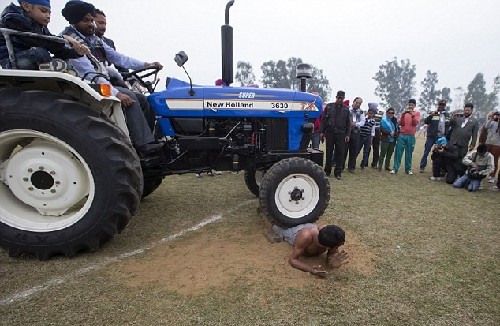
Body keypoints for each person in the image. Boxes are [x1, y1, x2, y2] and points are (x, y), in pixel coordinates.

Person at [60, 0, 162, 157]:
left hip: (101, 82)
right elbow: (90, 73)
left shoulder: (94, 39)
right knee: (130, 97)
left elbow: (118, 58)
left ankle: (148, 139)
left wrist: (145, 64)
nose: (91, 24)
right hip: (87, 85)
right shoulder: (71, 42)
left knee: (144, 99)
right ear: (74, 21)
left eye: (92, 20)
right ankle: (143, 145)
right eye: (86, 20)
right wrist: (116, 93)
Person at [0, 0, 88, 69]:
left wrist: (77, 52)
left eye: (49, 13)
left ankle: (53, 67)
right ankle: (51, 67)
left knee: (59, 58)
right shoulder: (13, 19)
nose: (48, 16)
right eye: (43, 11)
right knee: (40, 53)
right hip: (11, 61)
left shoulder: (40, 26)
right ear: (26, 6)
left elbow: (55, 48)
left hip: (27, 57)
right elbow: (38, 41)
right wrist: (65, 38)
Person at [265, 224, 349, 278]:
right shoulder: (306, 237)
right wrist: (310, 269)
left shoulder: (331, 236)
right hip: (294, 232)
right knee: (277, 226)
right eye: (338, 246)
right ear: (326, 246)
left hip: (309, 225)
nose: (339, 247)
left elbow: (332, 253)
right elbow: (293, 260)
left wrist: (332, 262)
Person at [320, 90, 351, 180]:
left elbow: (348, 123)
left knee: (340, 153)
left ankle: (338, 172)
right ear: (336, 97)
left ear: (343, 99)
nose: (340, 99)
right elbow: (323, 121)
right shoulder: (329, 107)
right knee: (329, 152)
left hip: (341, 134)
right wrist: (322, 132)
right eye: (338, 98)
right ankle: (327, 171)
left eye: (341, 98)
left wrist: (348, 134)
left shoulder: (346, 109)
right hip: (330, 133)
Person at [419, 99, 450, 173]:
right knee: (426, 152)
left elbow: (448, 125)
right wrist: (431, 115)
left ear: (445, 106)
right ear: (438, 105)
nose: (441, 106)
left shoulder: (447, 115)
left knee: (439, 153)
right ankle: (422, 166)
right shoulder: (434, 113)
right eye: (440, 105)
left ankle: (438, 168)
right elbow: (426, 121)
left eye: (443, 105)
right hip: (431, 136)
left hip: (441, 136)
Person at [390, 99, 419, 175]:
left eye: (412, 105)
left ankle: (408, 169)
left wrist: (412, 115)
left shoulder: (417, 113)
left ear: (415, 106)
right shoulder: (404, 113)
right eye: (409, 104)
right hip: (402, 135)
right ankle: (395, 168)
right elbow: (401, 123)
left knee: (409, 153)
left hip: (411, 136)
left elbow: (415, 123)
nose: (410, 106)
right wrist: (403, 115)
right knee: (398, 152)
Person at [343, 97, 365, 173]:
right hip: (347, 132)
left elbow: (363, 122)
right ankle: (341, 166)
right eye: (357, 103)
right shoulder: (347, 109)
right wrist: (349, 124)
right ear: (354, 102)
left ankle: (351, 167)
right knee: (344, 150)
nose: (358, 104)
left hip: (356, 133)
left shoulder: (361, 112)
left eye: (360, 103)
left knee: (354, 150)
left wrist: (356, 124)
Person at [483, 111, 500, 183]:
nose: (497, 117)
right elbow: (486, 126)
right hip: (488, 143)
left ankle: (492, 176)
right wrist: (491, 118)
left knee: (495, 160)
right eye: (496, 115)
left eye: (498, 115)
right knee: (485, 158)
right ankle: (482, 173)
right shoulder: (492, 122)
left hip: (497, 145)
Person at [369, 103, 382, 168]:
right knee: (368, 147)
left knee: (376, 148)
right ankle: (365, 162)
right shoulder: (368, 112)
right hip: (368, 131)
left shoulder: (381, 113)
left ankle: (374, 163)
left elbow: (381, 123)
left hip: (377, 132)